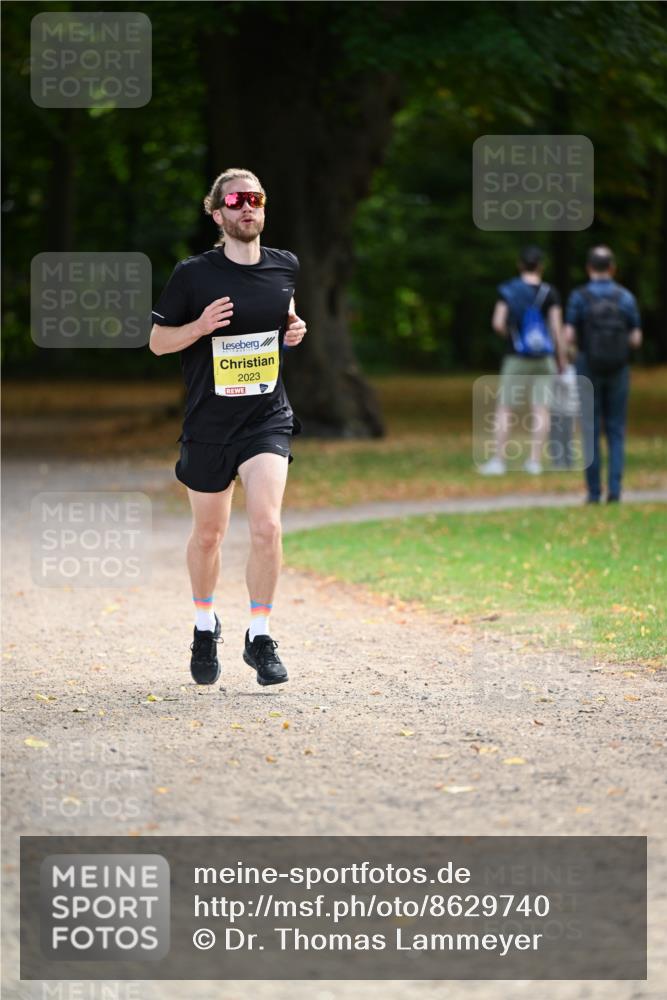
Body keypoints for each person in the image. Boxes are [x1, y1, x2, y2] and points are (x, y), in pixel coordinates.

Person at [149, 168, 306, 686]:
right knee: (209, 534)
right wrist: (198, 327)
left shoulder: (284, 266)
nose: (247, 207)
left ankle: (259, 636)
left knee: (266, 525)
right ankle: (203, 624)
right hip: (209, 424)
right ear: (217, 213)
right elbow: (158, 342)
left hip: (266, 419)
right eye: (235, 200)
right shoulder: (194, 275)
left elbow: (284, 315)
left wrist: (294, 327)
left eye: (255, 198)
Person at [563, 245, 642, 503]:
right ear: (612, 268)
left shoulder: (579, 297)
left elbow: (569, 335)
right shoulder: (625, 297)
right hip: (618, 368)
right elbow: (636, 338)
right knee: (616, 429)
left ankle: (594, 492)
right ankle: (616, 490)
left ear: (589, 268)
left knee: (590, 429)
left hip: (587, 367)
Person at [480, 246, 566, 476]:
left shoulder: (508, 290)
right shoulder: (550, 292)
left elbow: (498, 322)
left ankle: (498, 461)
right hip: (544, 358)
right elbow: (557, 329)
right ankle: (534, 462)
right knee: (541, 409)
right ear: (541, 266)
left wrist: (512, 335)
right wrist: (562, 358)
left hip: (515, 356)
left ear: (520, 265)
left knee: (505, 408)